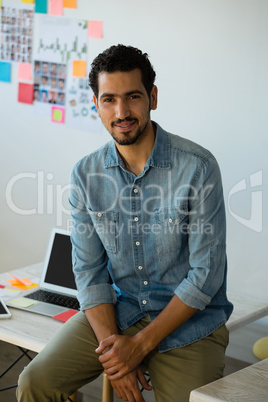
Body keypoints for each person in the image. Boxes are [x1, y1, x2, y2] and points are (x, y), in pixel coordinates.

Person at [17, 44, 233, 402]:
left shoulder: (198, 167)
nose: (121, 112)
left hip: (190, 325)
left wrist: (138, 346)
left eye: (133, 97)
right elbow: (89, 272)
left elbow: (205, 274)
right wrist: (115, 354)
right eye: (109, 100)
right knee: (35, 382)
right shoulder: (86, 174)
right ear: (96, 104)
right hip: (122, 311)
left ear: (153, 97)